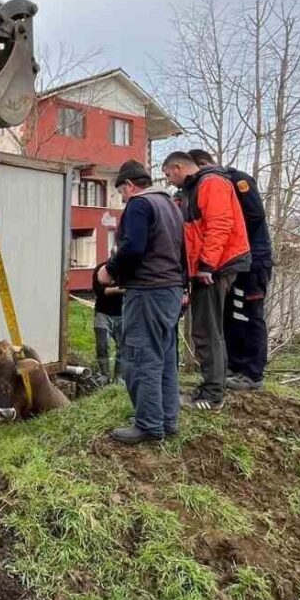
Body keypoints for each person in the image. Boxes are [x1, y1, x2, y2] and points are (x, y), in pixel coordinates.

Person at [97, 160, 186, 444]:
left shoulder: (139, 204)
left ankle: (148, 424)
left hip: (147, 292)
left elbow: (133, 246)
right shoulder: (170, 205)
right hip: (170, 290)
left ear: (130, 185)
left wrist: (110, 270)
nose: (122, 198)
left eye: (121, 192)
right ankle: (167, 420)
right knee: (165, 358)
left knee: (139, 357)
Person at [162, 151, 250, 411]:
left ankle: (212, 394)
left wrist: (207, 265)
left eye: (168, 174)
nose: (168, 180)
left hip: (217, 266)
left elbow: (220, 225)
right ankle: (214, 385)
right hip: (211, 265)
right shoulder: (194, 189)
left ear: (178, 168)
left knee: (206, 328)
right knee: (208, 328)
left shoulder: (211, 183)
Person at [188, 150, 273, 391]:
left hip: (252, 259)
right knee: (230, 317)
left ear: (202, 164)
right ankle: (234, 367)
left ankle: (252, 374)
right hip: (229, 262)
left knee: (248, 314)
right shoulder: (215, 183)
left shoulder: (236, 180)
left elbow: (255, 215)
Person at [91, 260, 123, 381]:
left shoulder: (127, 270)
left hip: (123, 314)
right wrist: (120, 290)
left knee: (123, 347)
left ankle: (119, 377)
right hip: (102, 313)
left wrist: (111, 289)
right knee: (102, 345)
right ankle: (105, 374)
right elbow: (99, 291)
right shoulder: (100, 269)